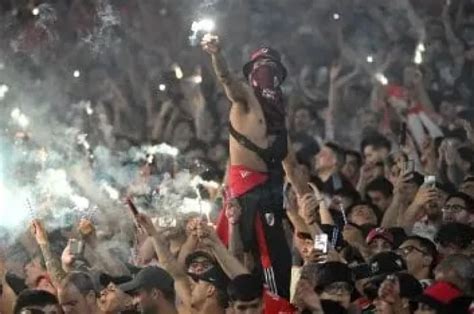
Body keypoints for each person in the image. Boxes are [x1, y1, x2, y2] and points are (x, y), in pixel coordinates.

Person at [202, 36, 292, 298]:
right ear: (252, 74)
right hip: (247, 195)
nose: (266, 72)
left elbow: (292, 165)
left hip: (273, 194)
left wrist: (307, 201)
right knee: (241, 262)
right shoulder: (244, 99)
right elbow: (227, 79)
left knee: (278, 262)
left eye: (271, 68)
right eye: (261, 67)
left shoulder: (278, 116)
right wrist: (216, 54)